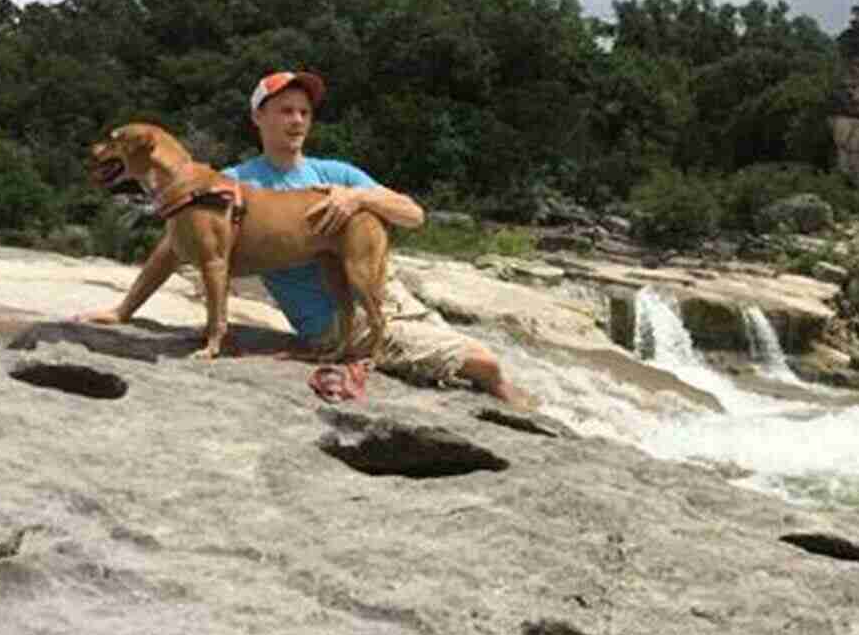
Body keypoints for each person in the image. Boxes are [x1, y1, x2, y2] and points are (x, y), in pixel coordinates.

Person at [77, 70, 528, 406]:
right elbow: (173, 249)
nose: (297, 120)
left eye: (304, 112)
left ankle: (528, 418)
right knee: (484, 363)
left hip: (389, 296)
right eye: (285, 110)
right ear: (259, 117)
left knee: (487, 367)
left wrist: (355, 197)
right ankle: (514, 409)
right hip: (337, 328)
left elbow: (413, 214)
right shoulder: (229, 183)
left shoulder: (335, 173)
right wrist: (122, 311)